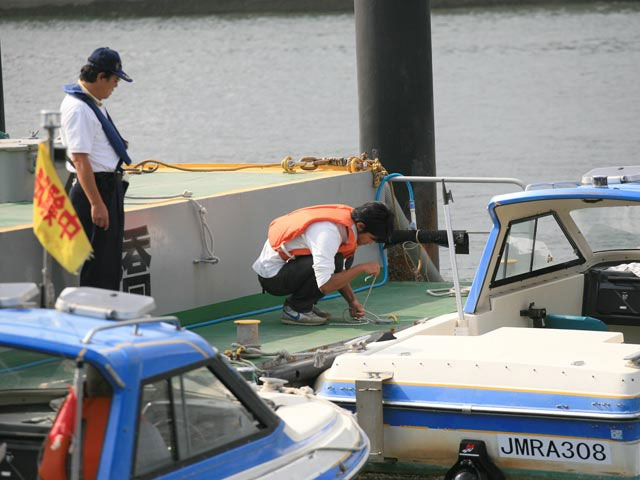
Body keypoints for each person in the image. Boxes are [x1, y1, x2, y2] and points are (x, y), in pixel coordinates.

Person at [59, 47, 133, 290]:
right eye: (114, 81)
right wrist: (96, 203)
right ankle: (95, 318)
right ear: (101, 77)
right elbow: (80, 160)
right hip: (95, 189)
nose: (115, 87)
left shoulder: (92, 101)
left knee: (110, 263)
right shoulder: (79, 108)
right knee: (99, 265)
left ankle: (106, 316)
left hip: (108, 186)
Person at [252, 202, 394, 326]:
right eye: (371, 238)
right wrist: (361, 268)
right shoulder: (327, 233)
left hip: (289, 269)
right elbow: (326, 285)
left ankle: (304, 304)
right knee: (334, 262)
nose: (370, 243)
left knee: (340, 259)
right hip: (273, 278)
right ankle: (296, 309)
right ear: (361, 226)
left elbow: (339, 272)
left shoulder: (349, 224)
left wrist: (352, 301)